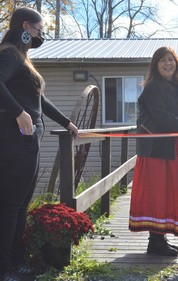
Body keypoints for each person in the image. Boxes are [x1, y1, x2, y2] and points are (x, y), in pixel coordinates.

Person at [0, 7, 78, 281]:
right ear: (25, 27)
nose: (40, 34)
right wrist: (18, 112)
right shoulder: (9, 53)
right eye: (38, 29)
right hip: (15, 141)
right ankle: (5, 268)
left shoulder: (22, 58)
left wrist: (66, 121)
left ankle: (17, 261)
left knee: (20, 205)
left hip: (30, 142)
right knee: (10, 205)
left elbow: (39, 100)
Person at [128, 46, 178, 256]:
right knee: (157, 193)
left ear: (177, 63)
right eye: (162, 61)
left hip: (172, 147)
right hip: (155, 150)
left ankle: (160, 239)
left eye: (171, 60)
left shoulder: (177, 88)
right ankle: (155, 242)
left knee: (167, 193)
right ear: (155, 66)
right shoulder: (151, 89)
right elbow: (164, 120)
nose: (168, 64)